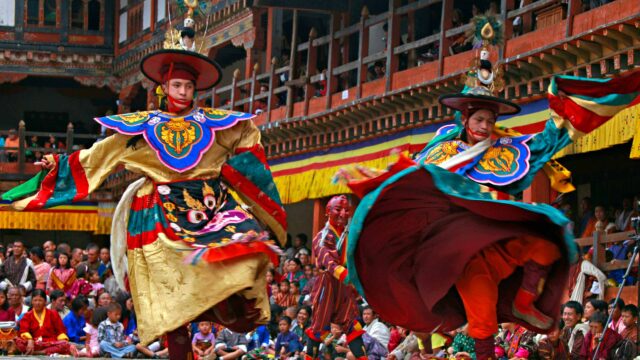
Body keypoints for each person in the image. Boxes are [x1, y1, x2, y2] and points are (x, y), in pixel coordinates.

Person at [2, 22, 286, 360]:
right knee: (172, 304)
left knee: (249, 248)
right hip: (161, 213)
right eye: (177, 84)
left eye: (189, 86)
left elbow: (246, 137)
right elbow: (100, 157)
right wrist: (58, 163)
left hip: (211, 205)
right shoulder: (143, 127)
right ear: (164, 87)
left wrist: (240, 166)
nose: (183, 91)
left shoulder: (216, 123)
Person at [340, 41, 640, 357]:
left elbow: (541, 145)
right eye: (479, 120)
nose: (485, 126)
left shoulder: (504, 151)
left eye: (490, 120)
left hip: (500, 239)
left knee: (547, 241)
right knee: (482, 319)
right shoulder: (442, 153)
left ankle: (524, 300)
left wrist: (564, 116)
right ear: (465, 119)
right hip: (461, 252)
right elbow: (409, 179)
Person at [305, 195, 367, 360]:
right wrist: (349, 277)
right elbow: (329, 262)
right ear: (327, 211)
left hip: (344, 286)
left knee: (352, 325)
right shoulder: (322, 237)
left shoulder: (349, 236)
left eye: (346, 210)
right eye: (338, 209)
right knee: (319, 327)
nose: (343, 214)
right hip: (328, 284)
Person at [15, 289, 76, 356]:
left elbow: (60, 331)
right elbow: (24, 330)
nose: (37, 303)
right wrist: (29, 340)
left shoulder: (53, 314)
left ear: (45, 302)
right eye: (35, 300)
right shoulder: (27, 315)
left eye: (40, 300)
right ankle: (42, 351)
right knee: (18, 341)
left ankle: (39, 352)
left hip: (51, 343)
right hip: (34, 343)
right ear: (32, 302)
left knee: (65, 344)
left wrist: (62, 341)